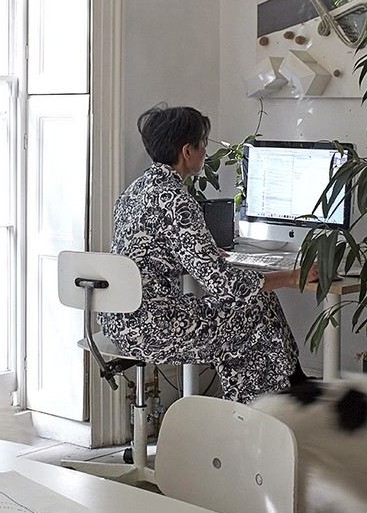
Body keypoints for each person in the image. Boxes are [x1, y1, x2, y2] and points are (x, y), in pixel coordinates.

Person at [99, 104, 316, 403]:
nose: (204, 152)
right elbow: (223, 285)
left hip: (119, 323)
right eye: (202, 145)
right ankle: (278, 400)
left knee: (254, 307)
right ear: (187, 151)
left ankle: (279, 396)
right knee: (254, 312)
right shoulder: (176, 199)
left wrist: (201, 249)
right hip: (152, 328)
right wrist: (291, 277)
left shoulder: (135, 190)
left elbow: (150, 248)